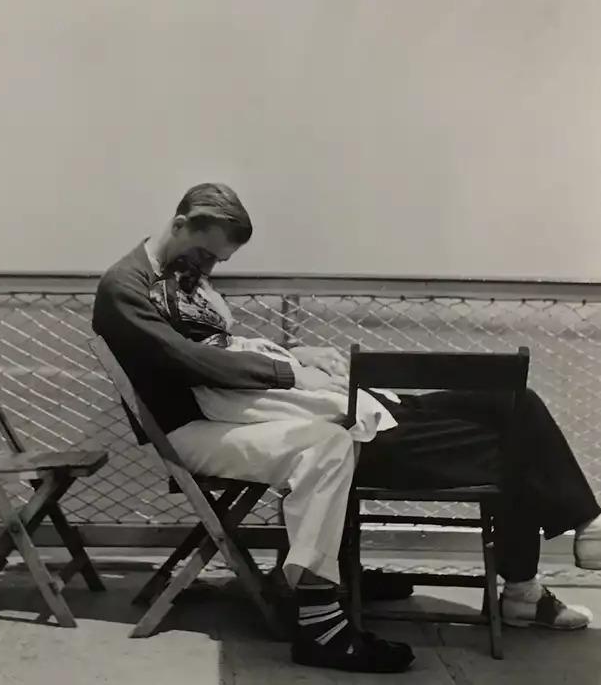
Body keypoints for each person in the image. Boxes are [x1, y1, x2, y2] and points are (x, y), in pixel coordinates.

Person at [93, 182, 601, 672]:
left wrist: (293, 354)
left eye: (216, 263)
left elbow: (221, 347)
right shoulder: (127, 286)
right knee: (487, 445)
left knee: (512, 404)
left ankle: (582, 530)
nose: (209, 269)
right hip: (200, 426)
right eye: (207, 256)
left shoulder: (180, 275)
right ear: (181, 223)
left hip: (253, 407)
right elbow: (188, 361)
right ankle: (335, 611)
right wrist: (290, 371)